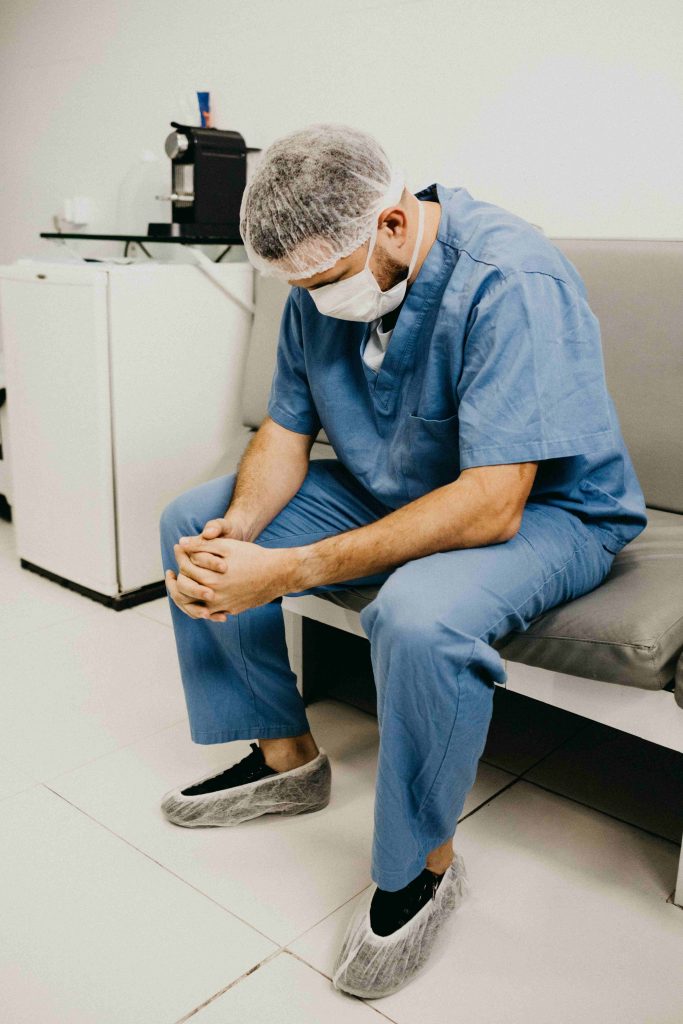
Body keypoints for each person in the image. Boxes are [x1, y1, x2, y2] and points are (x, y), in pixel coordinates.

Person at [158, 123, 648, 999]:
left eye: (324, 282)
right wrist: (239, 530)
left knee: (417, 614)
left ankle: (422, 865)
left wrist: (291, 568)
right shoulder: (324, 277)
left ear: (390, 224)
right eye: (299, 287)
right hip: (400, 486)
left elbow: (493, 501)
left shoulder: (508, 277)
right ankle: (284, 762)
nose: (315, 299)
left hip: (548, 510)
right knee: (191, 520)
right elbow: (285, 430)